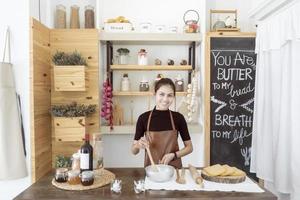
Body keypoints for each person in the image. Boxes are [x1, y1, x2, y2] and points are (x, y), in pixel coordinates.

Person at [131, 78, 193, 168]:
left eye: (170, 95)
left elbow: (189, 147)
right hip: (152, 170)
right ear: (155, 94)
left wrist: (174, 155)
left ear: (174, 97)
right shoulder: (143, 118)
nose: (165, 99)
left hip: (174, 169)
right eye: (161, 94)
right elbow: (134, 151)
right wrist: (137, 145)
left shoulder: (178, 118)